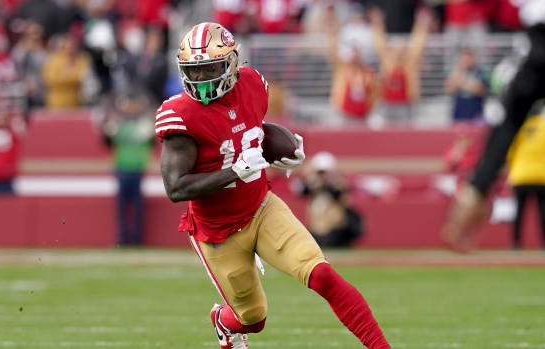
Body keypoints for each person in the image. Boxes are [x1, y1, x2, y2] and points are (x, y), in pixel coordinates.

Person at [157, 23, 390, 349]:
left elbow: (250, 125)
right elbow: (175, 188)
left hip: (261, 209)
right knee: (254, 319)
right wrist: (235, 172)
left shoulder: (252, 84)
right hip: (217, 233)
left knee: (321, 274)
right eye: (194, 72)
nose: (202, 80)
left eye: (210, 68)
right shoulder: (180, 114)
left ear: (232, 63)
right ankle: (223, 323)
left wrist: (287, 148)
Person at [442, 0, 545, 252]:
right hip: (544, 38)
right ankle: (473, 197)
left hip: (541, 41)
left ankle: (474, 195)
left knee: (505, 129)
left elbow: (505, 12)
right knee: (506, 125)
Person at [101, 93, 155, 246]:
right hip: (122, 168)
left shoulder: (143, 124)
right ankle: (123, 239)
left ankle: (137, 239)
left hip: (137, 169)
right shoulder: (119, 124)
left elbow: (153, 140)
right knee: (122, 207)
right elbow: (107, 140)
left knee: (138, 207)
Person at [369, 7, 432, 125]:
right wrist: (377, 24)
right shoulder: (387, 62)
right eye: (396, 49)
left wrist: (421, 24)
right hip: (386, 105)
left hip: (405, 105)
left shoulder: (409, 64)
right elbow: (379, 43)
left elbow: (418, 44)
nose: (399, 52)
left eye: (402, 49)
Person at [506, 112, 545, 250]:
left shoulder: (519, 126)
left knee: (519, 211)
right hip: (543, 175)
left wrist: (513, 169)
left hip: (521, 175)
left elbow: (510, 151)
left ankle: (516, 243)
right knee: (543, 211)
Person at [293, 151, 363, 247]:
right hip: (316, 230)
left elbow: (339, 195)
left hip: (335, 230)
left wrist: (327, 182)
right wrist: (314, 181)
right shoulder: (313, 185)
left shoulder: (338, 184)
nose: (323, 175)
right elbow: (300, 190)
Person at [444, 48, 488, 122]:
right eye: (463, 59)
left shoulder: (480, 72)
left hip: (475, 115)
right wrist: (468, 84)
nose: (465, 61)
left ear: (473, 59)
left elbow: (480, 91)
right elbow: (449, 89)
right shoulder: (456, 71)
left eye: (467, 59)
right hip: (458, 115)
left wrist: (461, 81)